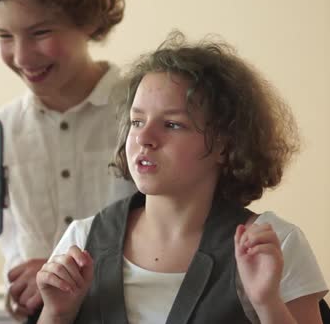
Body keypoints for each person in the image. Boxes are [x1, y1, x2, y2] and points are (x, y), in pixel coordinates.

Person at [36, 31, 328, 323]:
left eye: (173, 124)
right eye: (137, 121)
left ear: (225, 145)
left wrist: (268, 303)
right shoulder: (82, 239)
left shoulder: (276, 244)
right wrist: (56, 312)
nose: (144, 138)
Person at [0, 0, 137, 320]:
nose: (21, 56)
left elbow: (177, 235)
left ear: (88, 23)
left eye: (40, 33)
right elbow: (14, 250)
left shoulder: (141, 118)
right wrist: (20, 287)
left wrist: (64, 273)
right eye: (4, 36)